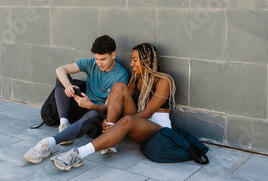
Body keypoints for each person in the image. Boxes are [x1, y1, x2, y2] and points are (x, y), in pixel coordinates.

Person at [50, 42, 176, 171]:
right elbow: (116, 105)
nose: (131, 64)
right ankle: (108, 137)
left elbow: (148, 113)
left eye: (135, 60)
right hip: (137, 125)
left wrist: (118, 125)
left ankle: (78, 153)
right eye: (131, 60)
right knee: (119, 86)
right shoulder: (136, 80)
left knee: (127, 120)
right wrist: (109, 121)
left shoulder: (164, 80)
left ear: (146, 60)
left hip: (158, 130)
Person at [24, 35, 129, 164]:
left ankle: (48, 143)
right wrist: (68, 86)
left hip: (98, 118)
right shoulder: (91, 63)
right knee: (62, 80)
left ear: (113, 55)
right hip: (84, 106)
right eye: (97, 59)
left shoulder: (121, 74)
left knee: (93, 113)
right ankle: (64, 123)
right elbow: (60, 69)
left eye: (103, 59)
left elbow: (109, 108)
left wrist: (91, 105)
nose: (99, 63)